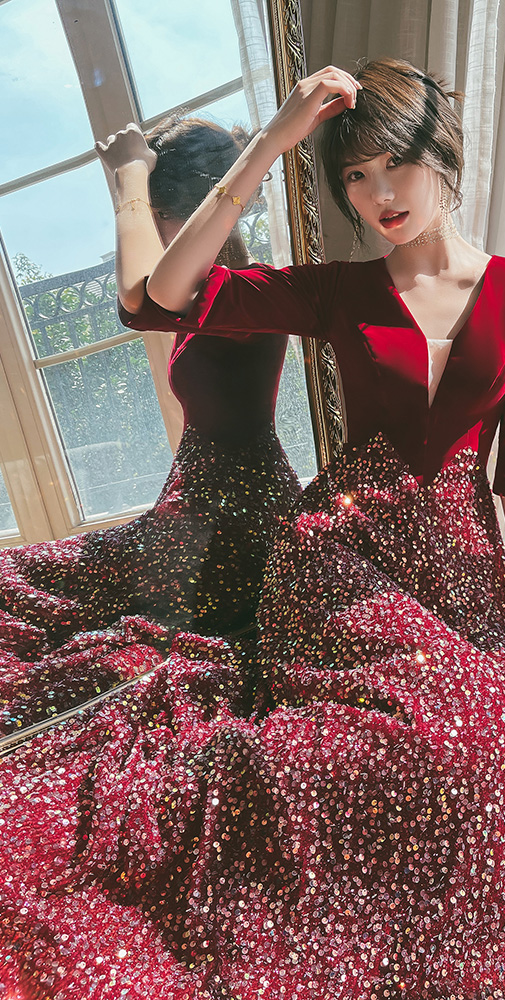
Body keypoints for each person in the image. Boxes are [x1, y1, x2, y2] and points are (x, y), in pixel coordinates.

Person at [0, 59, 505, 999]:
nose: (378, 194)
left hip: (458, 566)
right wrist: (273, 142)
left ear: (446, 157)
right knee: (439, 732)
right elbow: (153, 299)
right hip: (338, 553)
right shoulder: (340, 291)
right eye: (354, 175)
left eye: (396, 164)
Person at [0, 115, 301, 734]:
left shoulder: (238, 293)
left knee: (57, 614)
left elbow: (135, 298)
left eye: (157, 214)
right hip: (203, 507)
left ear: (185, 216)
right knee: (29, 583)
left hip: (232, 525)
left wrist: (130, 179)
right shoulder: (218, 291)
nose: (150, 229)